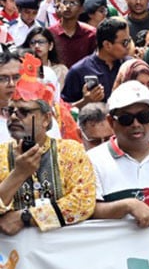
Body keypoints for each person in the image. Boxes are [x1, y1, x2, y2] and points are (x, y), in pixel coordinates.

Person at [0, 55, 96, 234]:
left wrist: (27, 217)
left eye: (24, 112)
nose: (14, 116)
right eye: (10, 111)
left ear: (45, 119)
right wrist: (18, 174)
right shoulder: (1, 155)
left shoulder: (69, 151)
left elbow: (84, 202)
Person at [87, 81, 149, 231]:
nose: (136, 124)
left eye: (143, 116)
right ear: (110, 121)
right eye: (126, 119)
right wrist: (128, 206)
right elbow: (89, 210)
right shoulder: (93, 159)